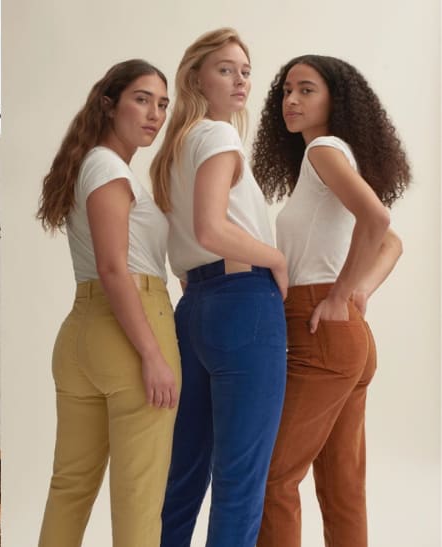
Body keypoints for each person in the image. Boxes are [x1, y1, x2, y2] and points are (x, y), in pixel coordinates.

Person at [251, 54, 410, 547]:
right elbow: (391, 243)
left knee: (272, 477)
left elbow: (379, 222)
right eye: (286, 91)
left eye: (306, 90)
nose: (291, 101)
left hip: (320, 330)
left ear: (335, 100)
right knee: (342, 489)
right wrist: (357, 292)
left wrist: (342, 293)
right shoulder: (326, 159)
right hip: (346, 339)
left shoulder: (323, 149)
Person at [149, 28, 288, 546]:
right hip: (244, 304)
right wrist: (276, 258)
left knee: (182, 476)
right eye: (225, 69)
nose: (240, 80)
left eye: (246, 70)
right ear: (196, 78)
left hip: (194, 310)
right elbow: (211, 229)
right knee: (240, 481)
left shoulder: (173, 150)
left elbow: (182, 249)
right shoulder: (219, 136)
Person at [35, 59, 179, 547]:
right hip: (132, 328)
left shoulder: (88, 164)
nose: (155, 113)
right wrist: (153, 355)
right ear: (109, 103)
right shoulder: (109, 169)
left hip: (81, 333)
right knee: (139, 495)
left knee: (70, 488)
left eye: (162, 103)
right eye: (142, 99)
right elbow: (115, 268)